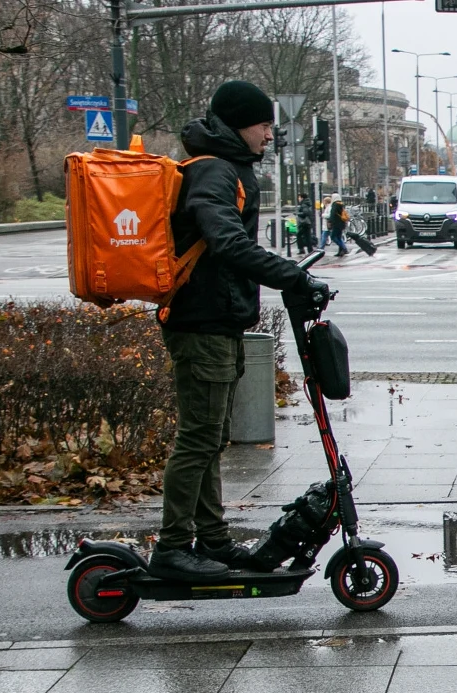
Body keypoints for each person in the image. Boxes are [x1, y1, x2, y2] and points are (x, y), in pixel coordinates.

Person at [150, 80, 328, 581]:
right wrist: (292, 276)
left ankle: (211, 540)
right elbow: (225, 242)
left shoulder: (226, 168)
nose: (271, 134)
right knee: (198, 439)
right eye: (264, 125)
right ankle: (171, 548)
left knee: (211, 438)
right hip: (200, 322)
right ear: (239, 125)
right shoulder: (213, 171)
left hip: (216, 321)